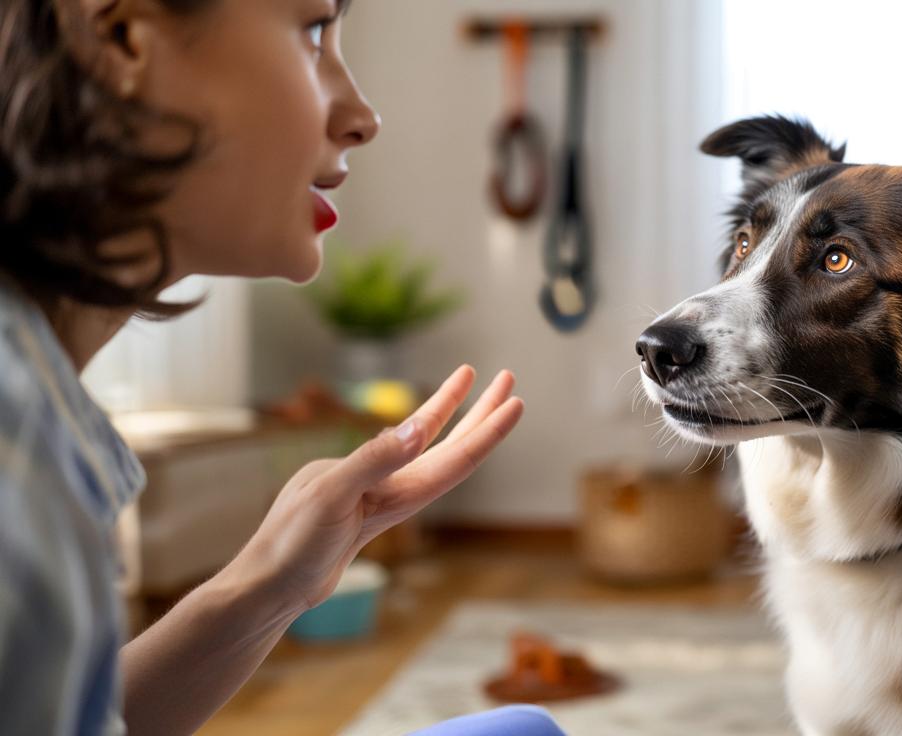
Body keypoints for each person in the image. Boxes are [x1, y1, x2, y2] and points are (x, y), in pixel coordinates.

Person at [0, 1, 563, 733]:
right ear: (123, 40)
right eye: (313, 31)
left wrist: (271, 581)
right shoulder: (19, 465)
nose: (363, 116)